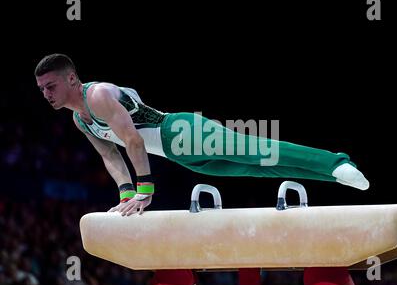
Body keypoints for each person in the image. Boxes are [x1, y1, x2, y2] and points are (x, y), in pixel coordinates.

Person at [35, 53, 369, 217]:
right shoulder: (81, 120)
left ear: (72, 79)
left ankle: (335, 163)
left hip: (181, 132)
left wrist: (145, 192)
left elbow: (134, 141)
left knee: (259, 150)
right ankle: (335, 179)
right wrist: (125, 195)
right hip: (181, 156)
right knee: (257, 169)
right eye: (42, 89)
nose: (47, 94)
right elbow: (111, 155)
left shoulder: (98, 95)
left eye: (51, 85)